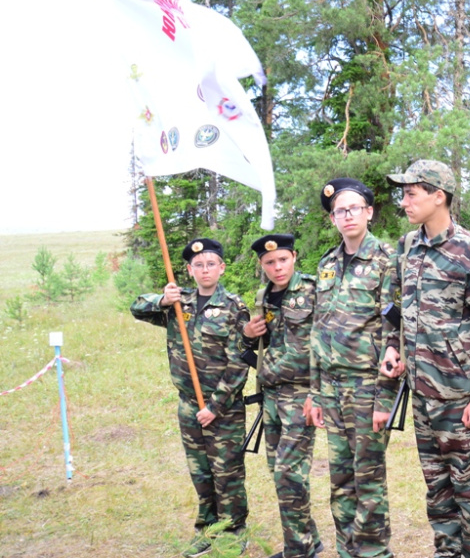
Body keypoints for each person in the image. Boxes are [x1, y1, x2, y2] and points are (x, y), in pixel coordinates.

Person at [378, 159, 470, 558]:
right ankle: (446, 552)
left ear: (438, 196)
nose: (404, 202)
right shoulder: (406, 247)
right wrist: (392, 347)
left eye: (411, 194)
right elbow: (392, 309)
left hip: (459, 395)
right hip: (420, 394)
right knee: (437, 490)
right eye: (403, 194)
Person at [130, 237, 251, 558]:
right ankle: (207, 528)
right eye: (198, 265)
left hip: (223, 408)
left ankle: (234, 529)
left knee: (227, 472)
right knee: (200, 471)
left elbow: (239, 364)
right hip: (188, 405)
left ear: (222, 268)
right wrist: (161, 299)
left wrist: (215, 406)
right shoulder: (177, 303)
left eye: (211, 264)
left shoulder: (234, 307)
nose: (205, 270)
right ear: (189, 270)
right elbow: (137, 308)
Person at [307, 178, 396, 558]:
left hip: (367, 388)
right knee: (341, 480)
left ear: (369, 212)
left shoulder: (387, 260)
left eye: (354, 208)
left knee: (368, 480)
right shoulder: (326, 264)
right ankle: (348, 551)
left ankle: (374, 553)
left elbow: (394, 333)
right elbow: (318, 330)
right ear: (332, 219)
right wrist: (315, 393)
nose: (347, 216)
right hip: (330, 388)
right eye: (340, 211)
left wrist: (385, 399)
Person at [243, 234, 322, 558]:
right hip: (272, 396)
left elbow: (328, 342)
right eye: (270, 262)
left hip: (301, 395)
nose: (277, 267)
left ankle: (298, 551)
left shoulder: (315, 290)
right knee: (280, 473)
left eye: (283, 260)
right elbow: (265, 343)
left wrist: (318, 393)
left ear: (294, 257)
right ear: (262, 265)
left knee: (289, 473)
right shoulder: (263, 296)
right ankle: (308, 540)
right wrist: (248, 334)